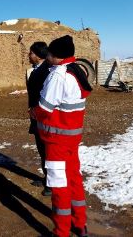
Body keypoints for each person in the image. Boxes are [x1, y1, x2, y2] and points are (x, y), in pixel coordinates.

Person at [33, 35, 92, 237]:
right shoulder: (77, 70)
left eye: (49, 53)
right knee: (74, 179)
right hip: (71, 138)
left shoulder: (58, 75)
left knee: (59, 186)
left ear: (56, 56)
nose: (47, 55)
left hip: (56, 140)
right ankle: (80, 224)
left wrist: (34, 113)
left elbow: (45, 107)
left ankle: (62, 231)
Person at [26, 41, 52, 196]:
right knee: (42, 150)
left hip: (43, 117)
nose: (29, 56)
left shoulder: (47, 71)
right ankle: (46, 178)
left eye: (31, 53)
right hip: (36, 116)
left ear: (38, 55)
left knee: (47, 150)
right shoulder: (37, 70)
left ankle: (51, 183)